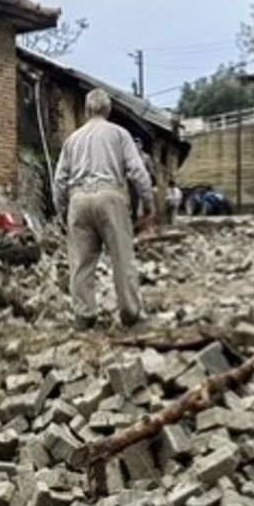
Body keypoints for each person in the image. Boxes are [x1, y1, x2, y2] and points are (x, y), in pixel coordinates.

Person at [53, 89, 155, 329]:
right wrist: (147, 203)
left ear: (87, 110)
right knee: (122, 258)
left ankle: (84, 315)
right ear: (108, 111)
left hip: (78, 199)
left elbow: (59, 181)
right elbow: (138, 172)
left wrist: (61, 211)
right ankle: (131, 314)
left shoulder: (72, 140)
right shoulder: (120, 134)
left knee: (81, 262)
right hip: (110, 196)